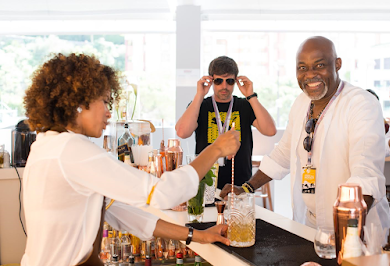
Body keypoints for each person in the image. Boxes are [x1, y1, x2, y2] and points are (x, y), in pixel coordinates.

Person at [21, 53, 240, 266]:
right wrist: (215, 150)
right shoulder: (71, 150)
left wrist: (196, 235)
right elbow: (164, 193)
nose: (109, 113)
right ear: (79, 102)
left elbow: (120, 213)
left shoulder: (48, 145)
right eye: (105, 102)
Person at [221, 36, 390, 233]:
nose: (310, 75)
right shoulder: (302, 102)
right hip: (311, 224)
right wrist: (246, 188)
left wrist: (349, 235)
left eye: (319, 65)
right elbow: (283, 154)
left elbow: (365, 172)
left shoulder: (361, 104)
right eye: (302, 68)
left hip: (355, 228)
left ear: (337, 64)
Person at [175, 56, 276, 189]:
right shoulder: (200, 105)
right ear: (211, 81)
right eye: (218, 81)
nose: (224, 86)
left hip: (239, 183)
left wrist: (251, 96)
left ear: (235, 81)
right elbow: (182, 132)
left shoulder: (245, 105)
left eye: (229, 81)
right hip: (207, 182)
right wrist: (199, 95)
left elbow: (270, 130)